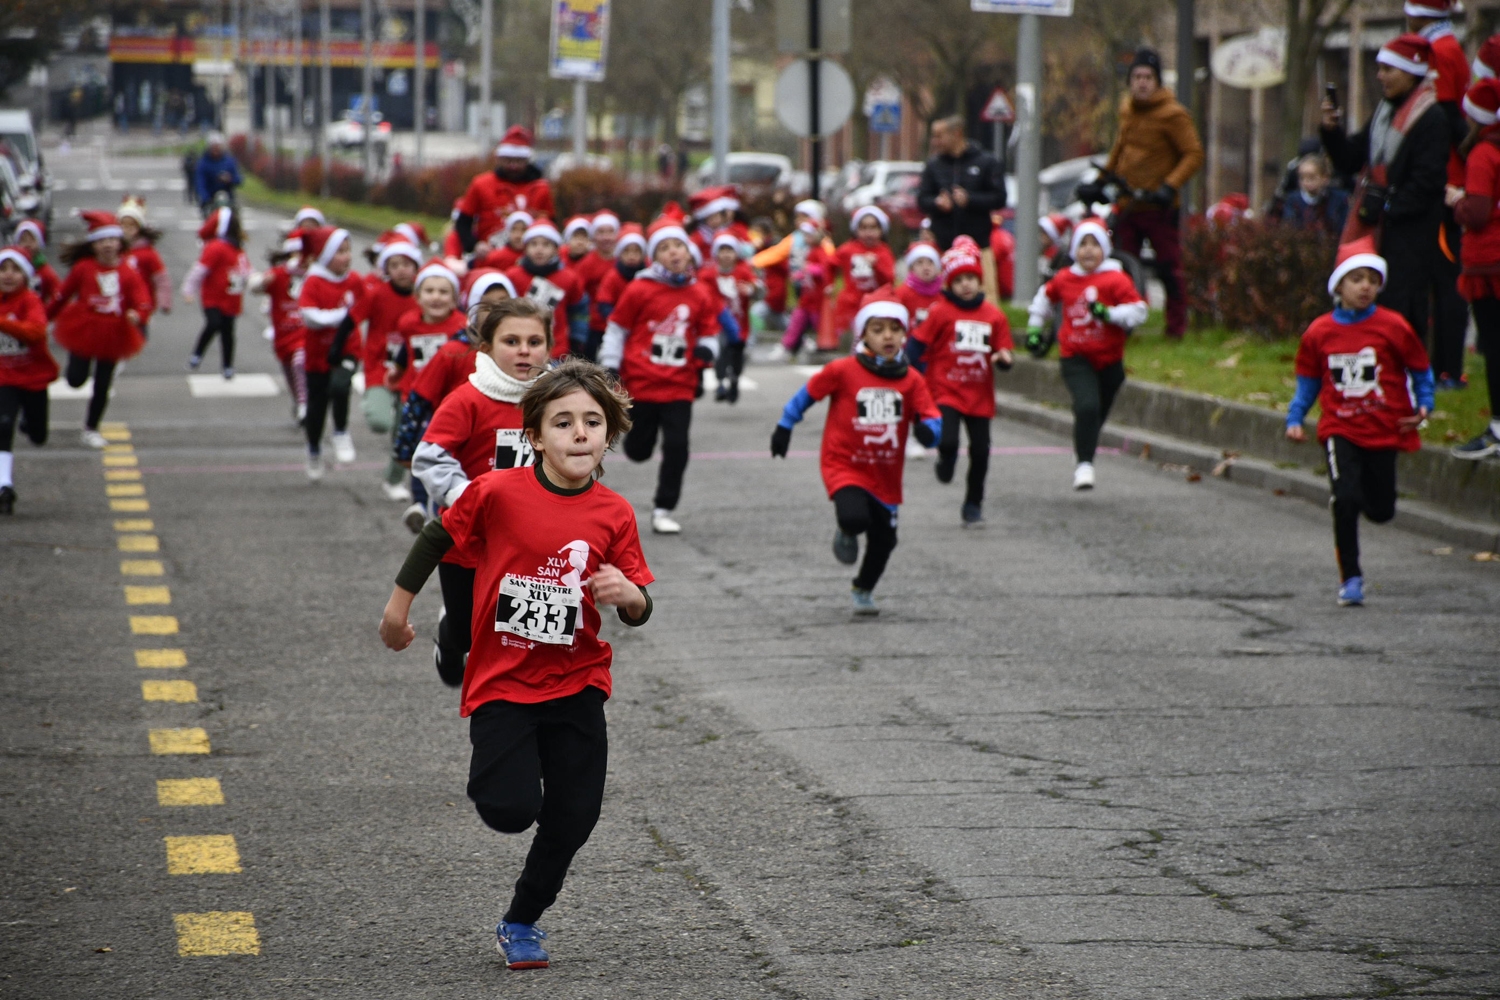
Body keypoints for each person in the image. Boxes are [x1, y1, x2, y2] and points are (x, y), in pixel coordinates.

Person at [378, 358, 653, 972]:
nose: (579, 433)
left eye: (592, 421)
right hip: (504, 680)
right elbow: (436, 538)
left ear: (608, 435)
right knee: (509, 809)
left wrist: (630, 597)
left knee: (575, 816)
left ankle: (521, 920)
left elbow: (639, 602)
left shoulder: (615, 513)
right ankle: (499, 777)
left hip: (579, 681)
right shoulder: (499, 491)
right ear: (534, 436)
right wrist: (398, 612)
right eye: (563, 422)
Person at [769, 287, 942, 615]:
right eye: (878, 330)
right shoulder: (843, 370)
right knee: (854, 515)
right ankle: (847, 529)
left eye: (895, 329)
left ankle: (863, 588)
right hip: (844, 463)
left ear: (905, 333)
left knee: (885, 542)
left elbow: (933, 419)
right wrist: (784, 426)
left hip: (885, 474)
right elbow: (807, 394)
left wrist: (928, 432)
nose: (887, 337)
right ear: (863, 334)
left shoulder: (912, 380)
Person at [1284, 240, 1434, 606]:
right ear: (1339, 287)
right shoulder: (1319, 332)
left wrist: (1425, 403)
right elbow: (1308, 381)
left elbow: (1419, 368)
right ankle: (1351, 577)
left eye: (1371, 279)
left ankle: (1368, 499)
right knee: (1345, 498)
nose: (1365, 286)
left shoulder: (1393, 326)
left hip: (1384, 427)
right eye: (1356, 279)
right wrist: (1296, 417)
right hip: (1340, 427)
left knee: (1381, 511)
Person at [412, 298, 550, 684]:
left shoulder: (555, 401)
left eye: (535, 341)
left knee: (521, 630)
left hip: (531, 539)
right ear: (485, 348)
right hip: (468, 543)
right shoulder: (467, 398)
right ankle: (448, 636)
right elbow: (429, 456)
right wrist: (465, 495)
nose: (524, 350)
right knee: (468, 632)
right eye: (511, 341)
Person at [1322, 35, 1458, 387]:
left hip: (1410, 235)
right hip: (1379, 228)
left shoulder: (1432, 118)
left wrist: (1388, 204)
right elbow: (1352, 158)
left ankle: (1406, 380)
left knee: (1402, 306)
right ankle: (1373, 372)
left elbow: (1428, 181)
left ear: (1410, 72)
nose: (1380, 76)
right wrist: (1331, 132)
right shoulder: (1383, 112)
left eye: (1387, 69)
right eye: (1379, 68)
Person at [599, 207, 724, 535]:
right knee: (639, 450)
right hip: (642, 382)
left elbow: (710, 332)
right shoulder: (640, 289)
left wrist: (707, 351)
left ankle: (664, 507)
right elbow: (616, 329)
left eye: (678, 246)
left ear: (689, 251)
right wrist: (610, 366)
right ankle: (638, 444)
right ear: (655, 257)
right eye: (665, 248)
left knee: (678, 445)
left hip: (680, 385)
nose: (673, 253)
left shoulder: (699, 293)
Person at [1023, 218, 1150, 491]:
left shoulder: (1115, 278)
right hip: (1075, 355)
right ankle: (1084, 465)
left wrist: (1110, 314)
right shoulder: (1066, 277)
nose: (1089, 251)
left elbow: (1139, 311)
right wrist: (1034, 330)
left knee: (1095, 412)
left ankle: (1085, 441)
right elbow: (1044, 300)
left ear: (1105, 248)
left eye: (1095, 244)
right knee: (1087, 406)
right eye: (1083, 244)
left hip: (1110, 360)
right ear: (1073, 249)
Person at [1085, 49, 1203, 341]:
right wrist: (1100, 181)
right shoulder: (1128, 110)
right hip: (1128, 203)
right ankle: (1122, 325)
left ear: (1158, 81)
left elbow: (1193, 154)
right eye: (1137, 77)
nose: (1142, 83)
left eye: (1148, 77)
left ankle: (1176, 328)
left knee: (1168, 268)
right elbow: (1120, 150)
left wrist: (1170, 185)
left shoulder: (1173, 114)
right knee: (1121, 266)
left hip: (1159, 206)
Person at [392, 269, 518, 526]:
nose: (495, 312)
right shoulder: (453, 351)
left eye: (503, 305)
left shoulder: (522, 354)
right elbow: (419, 397)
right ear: (471, 309)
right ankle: (425, 507)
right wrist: (405, 445)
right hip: (456, 434)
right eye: (487, 305)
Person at [907, 237, 1014, 526]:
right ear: (949, 285)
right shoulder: (940, 312)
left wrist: (1004, 359)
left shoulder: (993, 316)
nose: (965, 285)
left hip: (979, 394)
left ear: (980, 281)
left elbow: (1004, 352)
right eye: (958, 280)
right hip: (946, 389)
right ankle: (946, 459)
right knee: (949, 439)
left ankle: (973, 503)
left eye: (971, 279)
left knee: (980, 451)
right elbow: (916, 344)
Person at [48, 211, 152, 448]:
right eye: (101, 241)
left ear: (120, 243)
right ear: (93, 245)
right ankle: (76, 376)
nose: (107, 245)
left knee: (103, 383)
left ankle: (91, 428)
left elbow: (142, 298)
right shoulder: (84, 268)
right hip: (84, 328)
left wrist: (139, 314)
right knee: (75, 379)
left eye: (112, 240)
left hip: (114, 332)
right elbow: (63, 295)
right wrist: (43, 318)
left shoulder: (127, 271)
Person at [1450, 77, 1500, 459]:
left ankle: (1498, 428)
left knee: (1495, 347)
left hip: (1489, 266)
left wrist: (1458, 202)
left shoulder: (1484, 153)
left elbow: (1480, 211)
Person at [297, 226, 365, 479]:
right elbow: (309, 317)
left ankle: (341, 432)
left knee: (340, 387)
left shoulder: (354, 280)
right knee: (316, 408)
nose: (347, 257)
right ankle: (313, 449)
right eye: (339, 252)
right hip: (318, 355)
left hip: (348, 348)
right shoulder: (313, 281)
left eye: (348, 251)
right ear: (324, 256)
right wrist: (342, 316)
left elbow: (366, 305)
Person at [0, 249, 54, 515]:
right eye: (3, 269)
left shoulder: (30, 301)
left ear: (25, 275)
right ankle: (3, 485)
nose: (8, 275)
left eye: (15, 269)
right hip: (3, 376)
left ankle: (29, 422)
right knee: (2, 425)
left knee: (38, 435)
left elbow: (35, 332)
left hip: (33, 376)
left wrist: (5, 324)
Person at [754, 200, 834, 361]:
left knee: (816, 321)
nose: (799, 221)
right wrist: (754, 261)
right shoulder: (794, 239)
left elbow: (830, 265)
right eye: (798, 217)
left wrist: (813, 271)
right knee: (798, 319)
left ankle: (821, 344)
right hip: (803, 290)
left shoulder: (823, 245)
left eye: (805, 217)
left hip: (818, 294)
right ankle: (791, 345)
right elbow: (776, 253)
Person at [455, 127, 555, 253]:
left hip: (531, 257)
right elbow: (463, 222)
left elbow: (549, 224)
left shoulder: (541, 188)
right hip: (491, 254)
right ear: (499, 159)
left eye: (518, 161)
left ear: (527, 160)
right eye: (508, 160)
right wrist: (474, 246)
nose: (513, 166)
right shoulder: (481, 184)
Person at [915, 116, 1008, 251]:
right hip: (942, 246)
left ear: (956, 133)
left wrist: (970, 199)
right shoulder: (933, 165)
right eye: (933, 137)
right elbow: (922, 199)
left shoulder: (986, 162)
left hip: (978, 246)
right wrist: (937, 202)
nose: (935, 142)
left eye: (939, 136)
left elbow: (999, 198)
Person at [181, 205, 250, 379]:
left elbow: (246, 269)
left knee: (228, 332)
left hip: (232, 298)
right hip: (213, 297)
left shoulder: (237, 249)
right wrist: (189, 290)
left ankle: (227, 365)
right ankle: (197, 353)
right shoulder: (216, 247)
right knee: (214, 324)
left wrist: (259, 281)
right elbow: (199, 270)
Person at [503, 219, 588, 360]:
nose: (539, 249)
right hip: (519, 350)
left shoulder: (569, 278)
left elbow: (579, 310)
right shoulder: (512, 276)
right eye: (534, 244)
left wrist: (578, 339)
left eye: (546, 244)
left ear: (556, 249)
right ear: (525, 248)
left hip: (557, 351)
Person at [250, 235, 309, 424]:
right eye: (296, 254)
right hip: (284, 335)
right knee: (290, 372)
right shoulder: (279, 274)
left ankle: (304, 404)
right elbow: (255, 287)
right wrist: (264, 281)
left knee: (300, 362)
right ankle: (298, 400)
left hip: (306, 333)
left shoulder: (315, 276)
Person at [700, 231, 761, 403]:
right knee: (721, 352)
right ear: (716, 253)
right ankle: (720, 383)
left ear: (736, 253)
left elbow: (758, 288)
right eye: (722, 250)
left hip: (740, 323)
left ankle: (734, 380)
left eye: (730, 250)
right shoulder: (708, 274)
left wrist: (752, 289)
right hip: (718, 323)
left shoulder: (743, 271)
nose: (726, 254)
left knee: (736, 355)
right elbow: (701, 294)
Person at [831, 207, 895, 342]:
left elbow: (889, 280)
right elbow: (831, 264)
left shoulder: (883, 252)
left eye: (873, 228)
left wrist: (876, 265)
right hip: (849, 304)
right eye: (864, 228)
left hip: (874, 304)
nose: (868, 233)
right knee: (848, 338)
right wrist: (829, 284)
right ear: (856, 230)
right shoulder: (849, 249)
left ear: (881, 230)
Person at [575, 211, 621, 360]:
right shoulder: (587, 263)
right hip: (593, 325)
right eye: (601, 232)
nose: (606, 237)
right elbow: (578, 293)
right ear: (594, 236)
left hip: (620, 323)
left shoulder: (624, 261)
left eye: (610, 232)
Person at [118, 198, 172, 320]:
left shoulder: (148, 253)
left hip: (142, 305)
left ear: (139, 228)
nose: (127, 229)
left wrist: (165, 301)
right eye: (123, 225)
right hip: (118, 303)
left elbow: (161, 278)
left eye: (131, 225)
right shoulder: (115, 251)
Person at [1279, 153, 1350, 234]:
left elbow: (1343, 228)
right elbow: (1290, 227)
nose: (1306, 182)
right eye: (1302, 177)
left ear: (1325, 178)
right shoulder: (1292, 200)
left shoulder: (1339, 199)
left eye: (1311, 177)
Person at [193, 132, 242, 213]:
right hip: (211, 198)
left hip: (228, 198)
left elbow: (238, 179)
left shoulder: (229, 161)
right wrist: (205, 198)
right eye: (213, 147)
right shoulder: (203, 163)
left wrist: (230, 179)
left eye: (218, 147)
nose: (216, 150)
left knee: (235, 217)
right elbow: (200, 182)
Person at [13, 221, 60, 304]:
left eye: (32, 240)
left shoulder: (44, 271)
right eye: (23, 240)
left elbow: (58, 293)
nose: (27, 244)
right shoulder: (11, 269)